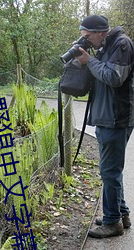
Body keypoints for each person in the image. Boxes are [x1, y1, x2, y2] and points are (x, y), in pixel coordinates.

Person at [76, 15, 134, 238]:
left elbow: (113, 77)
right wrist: (86, 60)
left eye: (88, 37)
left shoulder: (122, 44)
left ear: (100, 32)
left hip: (116, 118)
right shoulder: (105, 46)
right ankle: (121, 214)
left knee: (109, 171)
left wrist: (89, 61)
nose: (87, 41)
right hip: (106, 117)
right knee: (111, 171)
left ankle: (112, 223)